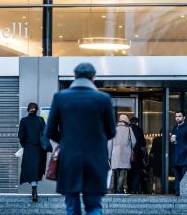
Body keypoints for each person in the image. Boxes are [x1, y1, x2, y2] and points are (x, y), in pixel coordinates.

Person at [46, 63, 116, 215]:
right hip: (96, 158)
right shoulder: (103, 98)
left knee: (71, 206)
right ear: (93, 78)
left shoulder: (60, 97)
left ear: (74, 77)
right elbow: (111, 131)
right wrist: (97, 140)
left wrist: (65, 141)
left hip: (69, 158)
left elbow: (49, 131)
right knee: (94, 206)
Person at [18, 102, 48, 202]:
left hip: (29, 148)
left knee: (30, 169)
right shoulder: (40, 120)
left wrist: (24, 146)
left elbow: (21, 135)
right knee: (36, 170)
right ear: (37, 110)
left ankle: (34, 190)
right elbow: (45, 133)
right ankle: (34, 190)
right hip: (39, 149)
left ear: (28, 109)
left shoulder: (24, 121)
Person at [170, 110, 187, 196]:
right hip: (176, 156)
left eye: (179, 116)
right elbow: (173, 141)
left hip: (184, 156)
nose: (177, 118)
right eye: (176, 116)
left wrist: (185, 149)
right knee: (176, 176)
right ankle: (177, 192)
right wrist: (171, 141)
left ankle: (185, 192)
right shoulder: (174, 128)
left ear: (184, 117)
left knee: (184, 176)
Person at [108, 114, 136, 194]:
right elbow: (134, 142)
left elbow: (110, 144)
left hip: (114, 153)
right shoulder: (129, 129)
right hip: (125, 153)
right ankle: (119, 189)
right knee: (122, 172)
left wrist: (109, 156)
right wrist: (130, 148)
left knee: (115, 171)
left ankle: (113, 189)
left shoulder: (114, 129)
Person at [128, 117, 148, 195]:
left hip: (128, 155)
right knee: (137, 172)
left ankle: (129, 189)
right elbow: (143, 143)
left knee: (130, 173)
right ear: (137, 123)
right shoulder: (139, 130)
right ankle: (134, 190)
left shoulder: (128, 130)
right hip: (137, 155)